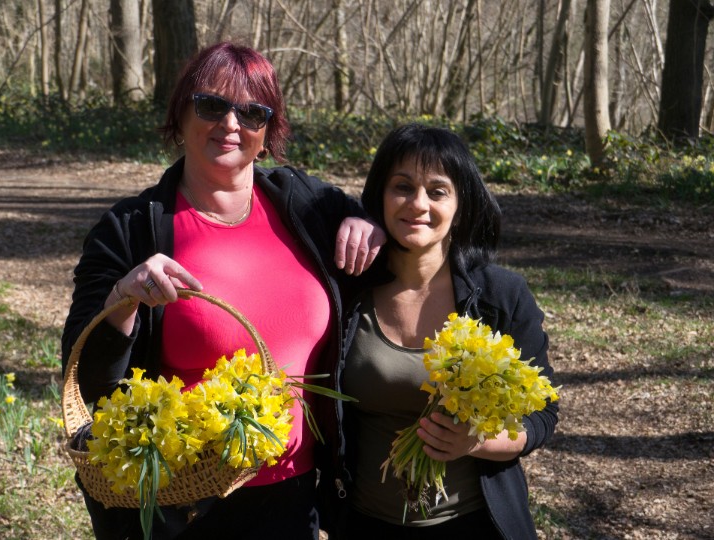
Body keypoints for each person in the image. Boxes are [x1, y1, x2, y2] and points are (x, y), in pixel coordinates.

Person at [60, 42, 385, 540]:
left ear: (268, 131)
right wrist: (124, 298)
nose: (231, 124)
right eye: (212, 105)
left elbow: (395, 233)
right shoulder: (130, 229)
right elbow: (86, 377)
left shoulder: (307, 206)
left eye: (252, 113)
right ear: (181, 112)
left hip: (294, 497)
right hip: (181, 503)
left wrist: (366, 223)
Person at [319, 123, 559, 540]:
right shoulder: (345, 289)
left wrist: (476, 441)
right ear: (379, 197)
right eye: (402, 187)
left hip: (474, 525)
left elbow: (542, 414)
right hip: (363, 524)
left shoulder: (501, 296)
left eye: (437, 191)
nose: (418, 203)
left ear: (461, 207)